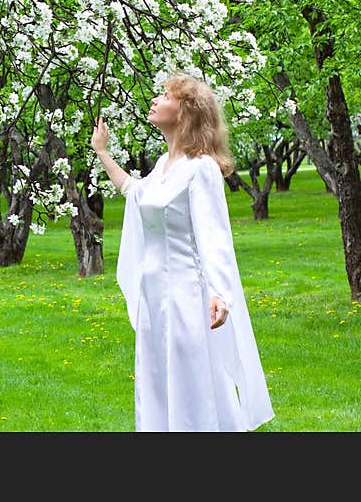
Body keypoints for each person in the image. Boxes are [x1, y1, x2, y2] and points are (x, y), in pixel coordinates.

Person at [91, 73, 274, 432]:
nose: (156, 100)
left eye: (166, 96)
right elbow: (133, 191)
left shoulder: (201, 168)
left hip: (186, 295)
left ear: (185, 112)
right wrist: (102, 152)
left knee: (194, 380)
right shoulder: (163, 166)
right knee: (157, 379)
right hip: (153, 297)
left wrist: (220, 293)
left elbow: (214, 234)